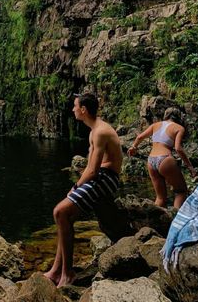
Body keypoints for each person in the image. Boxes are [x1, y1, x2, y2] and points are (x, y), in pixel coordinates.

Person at [44, 93, 122, 287]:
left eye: (75, 106)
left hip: (106, 178)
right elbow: (90, 167)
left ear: (83, 109)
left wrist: (75, 186)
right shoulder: (94, 130)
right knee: (63, 216)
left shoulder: (100, 131)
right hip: (101, 177)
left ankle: (67, 273)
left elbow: (93, 170)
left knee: (60, 212)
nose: (72, 109)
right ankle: (56, 270)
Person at [128, 107, 196, 208]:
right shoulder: (179, 128)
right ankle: (175, 221)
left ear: (166, 115)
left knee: (160, 198)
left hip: (151, 160)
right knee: (181, 191)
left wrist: (134, 147)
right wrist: (190, 166)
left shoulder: (156, 125)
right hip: (165, 159)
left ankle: (155, 222)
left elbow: (139, 137)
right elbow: (178, 148)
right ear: (179, 117)